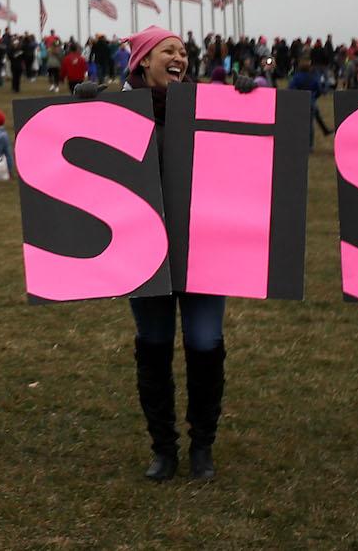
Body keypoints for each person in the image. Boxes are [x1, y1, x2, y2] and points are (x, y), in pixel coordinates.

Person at [117, 26, 242, 480]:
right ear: (142, 62)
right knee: (152, 347)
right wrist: (84, 108)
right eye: (168, 50)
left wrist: (246, 98)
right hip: (143, 250)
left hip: (204, 247)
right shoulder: (114, 112)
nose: (179, 58)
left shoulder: (209, 107)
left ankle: (202, 446)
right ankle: (164, 449)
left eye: (184, 52)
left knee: (205, 344)